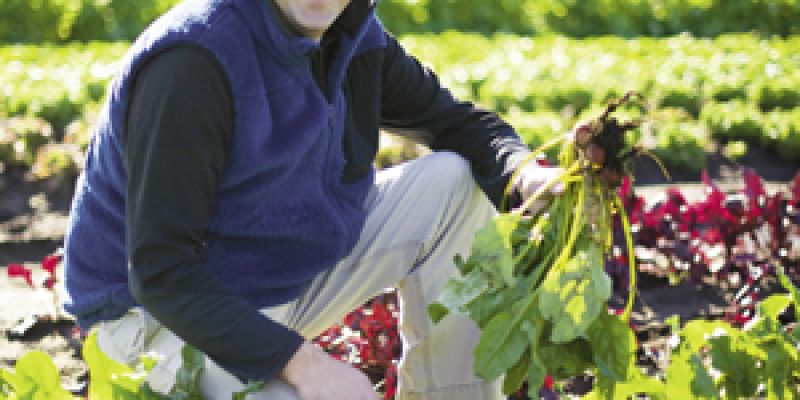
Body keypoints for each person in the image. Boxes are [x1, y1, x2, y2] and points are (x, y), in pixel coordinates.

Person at [63, 0, 568, 398]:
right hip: (155, 322)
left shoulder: (351, 33)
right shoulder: (195, 59)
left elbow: (456, 123)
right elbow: (161, 272)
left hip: (263, 276)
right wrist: (308, 366)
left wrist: (527, 176)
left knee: (454, 183)